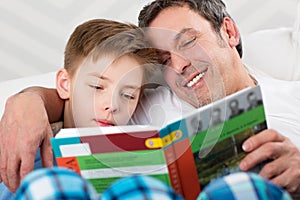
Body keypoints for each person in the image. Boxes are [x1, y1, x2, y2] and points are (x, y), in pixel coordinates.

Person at [1, 0, 300, 198]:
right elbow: (81, 99)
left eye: (188, 42)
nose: (179, 64)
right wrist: (28, 101)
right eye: (164, 59)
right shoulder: (146, 98)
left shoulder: (294, 98)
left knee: (244, 187)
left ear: (229, 31)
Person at [0, 18, 158, 198]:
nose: (113, 106)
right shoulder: (23, 139)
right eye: (97, 87)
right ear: (65, 84)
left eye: (128, 95)